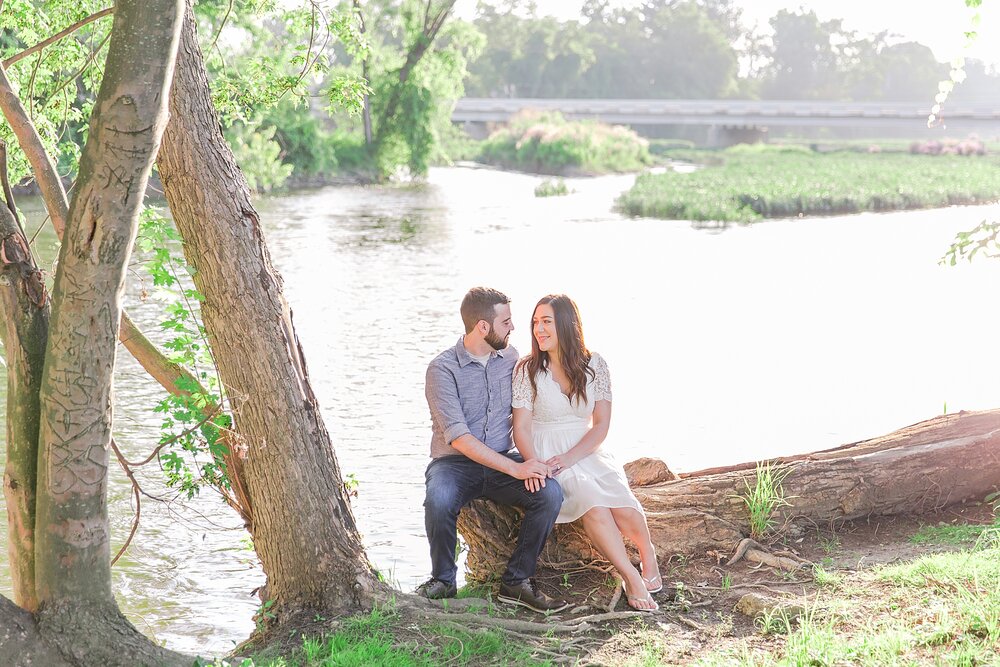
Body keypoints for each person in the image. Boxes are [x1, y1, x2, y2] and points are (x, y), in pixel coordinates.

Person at [419, 286, 569, 613]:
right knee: (439, 499)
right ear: (483, 328)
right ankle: (443, 580)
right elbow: (458, 437)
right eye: (506, 322)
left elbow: (525, 412)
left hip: (502, 461)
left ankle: (516, 581)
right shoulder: (441, 369)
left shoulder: (511, 359)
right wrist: (517, 469)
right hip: (454, 464)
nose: (513, 328)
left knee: (550, 494)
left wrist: (531, 463)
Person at [512, 294, 662, 612]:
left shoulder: (595, 364)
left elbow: (601, 424)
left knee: (623, 505)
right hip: (547, 454)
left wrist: (572, 456)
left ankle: (647, 552)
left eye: (546, 322)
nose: (538, 329)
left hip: (586, 448)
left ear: (566, 324)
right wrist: (533, 463)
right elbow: (521, 428)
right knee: (592, 500)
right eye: (535, 322)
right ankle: (631, 578)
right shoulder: (526, 369)